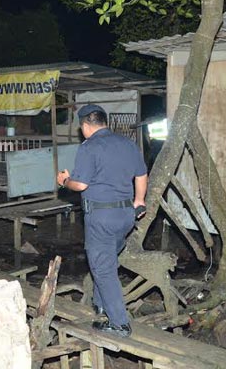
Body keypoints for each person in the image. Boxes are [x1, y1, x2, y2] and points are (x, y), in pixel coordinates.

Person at [56, 104, 148, 337]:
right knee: (106, 260)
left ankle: (119, 323)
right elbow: (141, 174)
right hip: (126, 216)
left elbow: (81, 184)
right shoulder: (128, 144)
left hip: (101, 217)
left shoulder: (90, 147)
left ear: (85, 125)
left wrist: (65, 181)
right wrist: (139, 201)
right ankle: (100, 303)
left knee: (103, 267)